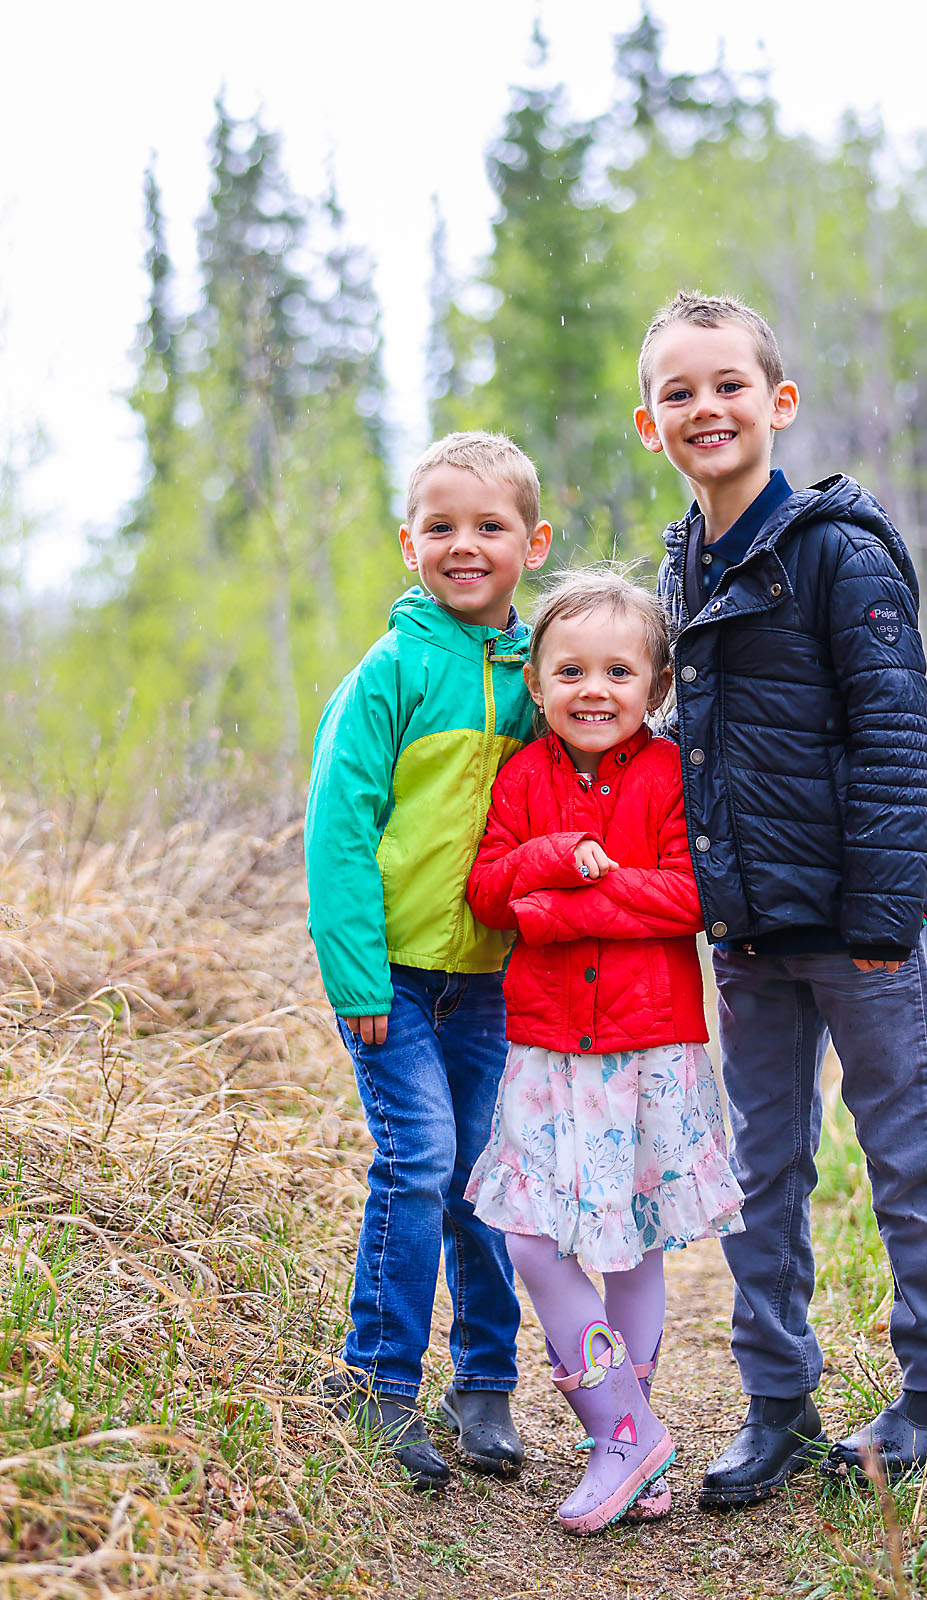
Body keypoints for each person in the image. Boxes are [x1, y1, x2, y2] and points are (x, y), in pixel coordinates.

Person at [632, 290, 927, 1503]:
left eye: (726, 384)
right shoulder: (679, 561)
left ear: (775, 404)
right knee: (759, 1167)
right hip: (748, 931)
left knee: (904, 1153)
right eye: (677, 392)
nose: (704, 408)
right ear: (648, 425)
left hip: (858, 923)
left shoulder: (836, 551)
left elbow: (891, 740)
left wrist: (885, 917)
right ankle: (776, 1400)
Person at [465, 568, 745, 1535]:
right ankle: (625, 1424)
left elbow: (691, 897)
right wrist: (547, 864)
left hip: (650, 1046)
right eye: (570, 670)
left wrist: (561, 911)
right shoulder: (520, 778)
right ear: (536, 683)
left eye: (618, 671)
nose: (594, 690)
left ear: (656, 686)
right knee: (530, 1237)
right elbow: (489, 892)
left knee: (634, 1237)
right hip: (545, 1048)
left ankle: (624, 1457)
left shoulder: (672, 776)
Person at [304, 431, 552, 1491]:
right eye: (440, 527)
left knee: (482, 1182)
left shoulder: (543, 674)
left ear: (531, 543)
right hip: (395, 985)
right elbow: (337, 828)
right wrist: (357, 977)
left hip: (490, 982)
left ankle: (486, 1384)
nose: (464, 544)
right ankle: (378, 1383)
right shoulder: (391, 672)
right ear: (406, 543)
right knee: (417, 1165)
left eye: (488, 526)